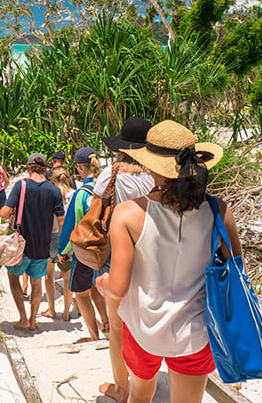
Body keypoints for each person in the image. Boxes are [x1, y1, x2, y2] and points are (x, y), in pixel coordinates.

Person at [96, 120, 235, 403]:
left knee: (140, 396)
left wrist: (103, 283)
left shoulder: (128, 214)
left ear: (150, 164)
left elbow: (118, 288)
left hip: (142, 329)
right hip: (196, 333)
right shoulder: (218, 210)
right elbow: (234, 267)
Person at [92, 117, 155, 403]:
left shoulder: (112, 173)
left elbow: (95, 211)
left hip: (117, 253)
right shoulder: (157, 175)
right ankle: (147, 379)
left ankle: (121, 386)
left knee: (117, 326)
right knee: (147, 318)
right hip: (152, 254)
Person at [0, 153, 65, 331]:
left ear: (28, 167)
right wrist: (61, 247)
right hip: (42, 245)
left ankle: (23, 318)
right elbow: (61, 221)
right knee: (37, 282)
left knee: (13, 276)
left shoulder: (21, 186)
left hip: (21, 245)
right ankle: (33, 321)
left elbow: (4, 213)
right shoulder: (54, 190)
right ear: (45, 169)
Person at [57, 147, 109, 343]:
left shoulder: (81, 195)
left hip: (85, 253)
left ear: (79, 167)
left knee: (81, 293)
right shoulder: (106, 189)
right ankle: (106, 323)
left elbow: (71, 225)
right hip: (105, 250)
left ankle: (94, 336)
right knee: (96, 287)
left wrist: (62, 251)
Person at [40, 166, 74, 321]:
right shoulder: (74, 195)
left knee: (49, 275)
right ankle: (66, 312)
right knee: (67, 278)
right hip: (69, 240)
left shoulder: (49, 195)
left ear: (52, 180)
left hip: (52, 236)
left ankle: (52, 309)